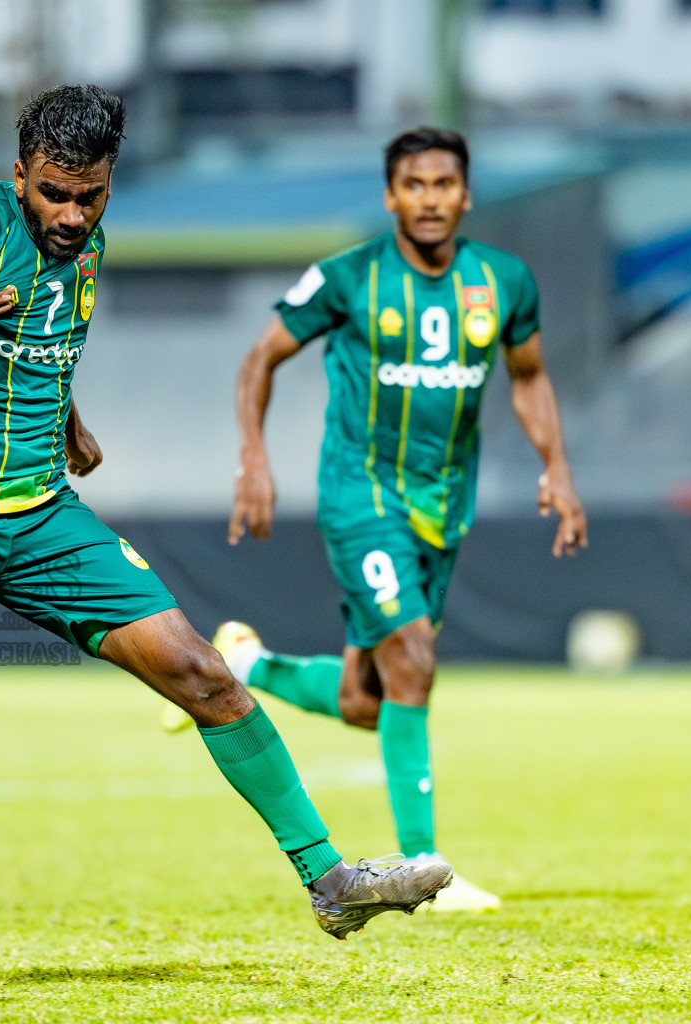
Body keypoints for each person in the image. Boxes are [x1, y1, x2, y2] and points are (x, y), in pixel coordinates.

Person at [0, 85, 454, 940]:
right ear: (19, 173)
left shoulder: (84, 243)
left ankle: (330, 881)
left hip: (40, 514)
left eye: (88, 196)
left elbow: (34, 338)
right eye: (53, 193)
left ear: (109, 183)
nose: (69, 214)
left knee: (203, 673)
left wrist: (66, 421)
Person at [207, 126, 586, 912]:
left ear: (466, 194)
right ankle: (425, 871)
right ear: (390, 197)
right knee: (413, 654)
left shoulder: (504, 281)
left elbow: (528, 376)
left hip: (443, 507)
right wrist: (254, 458)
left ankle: (248, 664)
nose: (430, 199)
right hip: (362, 494)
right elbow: (260, 358)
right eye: (414, 185)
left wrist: (556, 465)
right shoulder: (349, 277)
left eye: (444, 184)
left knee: (369, 703)